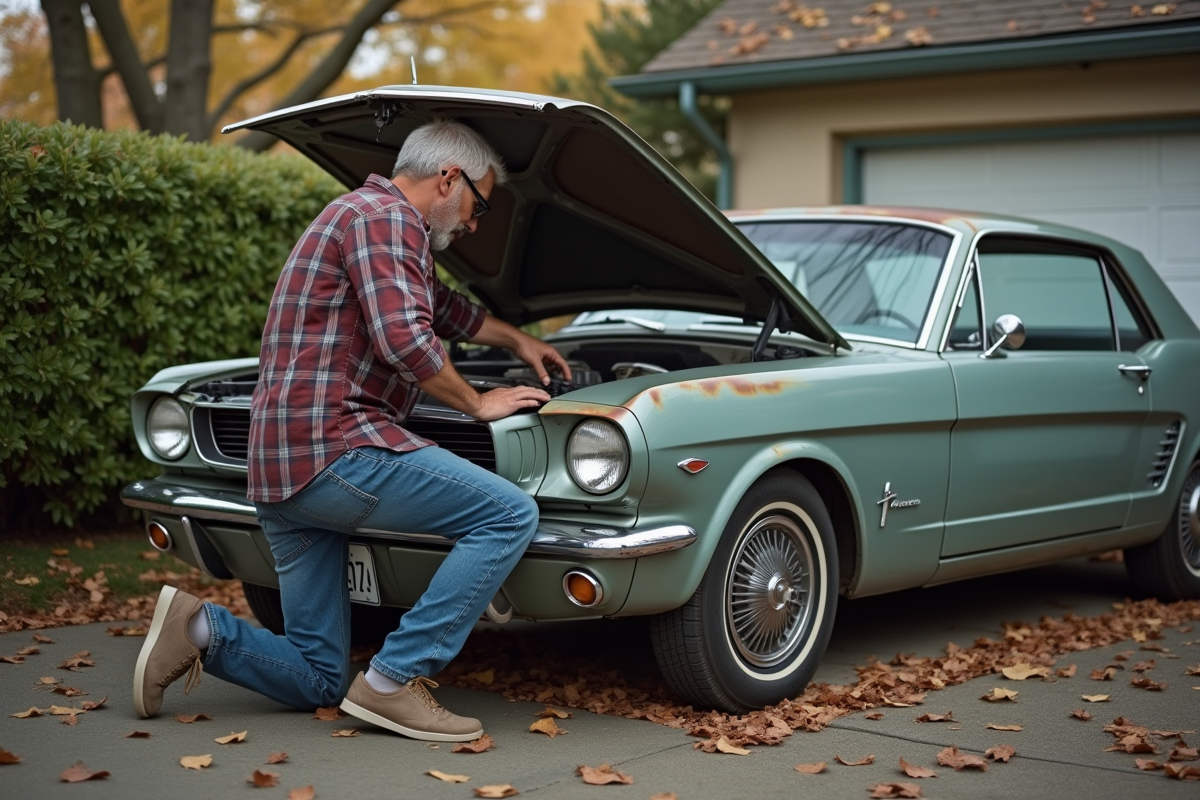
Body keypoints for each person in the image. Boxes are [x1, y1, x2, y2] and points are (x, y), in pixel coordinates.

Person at [133, 119, 571, 742]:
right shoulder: (385, 219)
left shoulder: (366, 220)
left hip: (282, 470)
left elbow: (446, 311)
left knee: (318, 677)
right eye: (479, 205)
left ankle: (198, 629)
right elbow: (407, 341)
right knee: (507, 514)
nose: (474, 224)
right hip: (337, 448)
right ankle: (393, 683)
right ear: (450, 177)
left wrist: (519, 338)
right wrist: (477, 403)